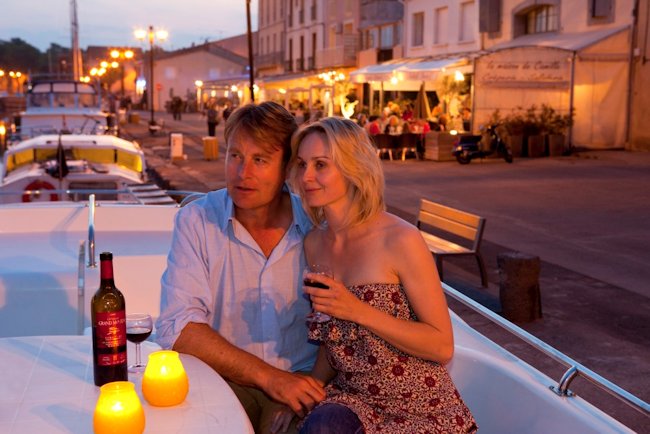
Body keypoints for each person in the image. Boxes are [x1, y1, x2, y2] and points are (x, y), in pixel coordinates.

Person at [274, 117, 477, 433]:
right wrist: (308, 390)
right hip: (353, 397)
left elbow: (441, 346)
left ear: (353, 168)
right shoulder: (314, 243)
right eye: (301, 164)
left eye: (320, 165)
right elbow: (335, 338)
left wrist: (358, 311)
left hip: (419, 404)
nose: (306, 177)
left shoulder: (400, 239)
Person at [155, 101, 326, 434]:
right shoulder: (197, 220)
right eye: (235, 156)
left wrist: (306, 383)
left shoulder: (317, 225)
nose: (242, 172)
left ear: (287, 168)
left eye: (259, 160)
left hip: (304, 379)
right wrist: (271, 379)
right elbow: (178, 325)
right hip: (223, 379)